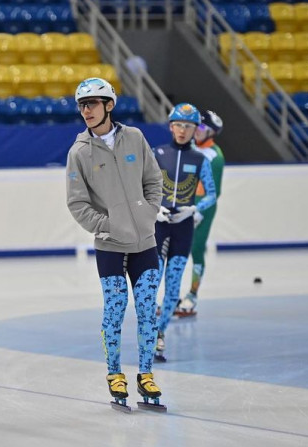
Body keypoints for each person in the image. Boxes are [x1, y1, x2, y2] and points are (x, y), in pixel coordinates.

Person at [65, 77, 166, 412]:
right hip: (110, 247)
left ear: (109, 105)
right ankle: (115, 374)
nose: (86, 111)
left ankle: (147, 374)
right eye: (81, 105)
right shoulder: (79, 153)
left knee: (148, 311)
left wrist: (148, 213)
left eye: (91, 103)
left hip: (145, 243)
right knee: (115, 310)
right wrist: (108, 226)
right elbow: (77, 203)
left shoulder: (135, 138)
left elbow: (153, 180)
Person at [152, 103, 217, 362]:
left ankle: (160, 334)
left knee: (173, 286)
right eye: (178, 125)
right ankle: (147, 332)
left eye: (188, 127)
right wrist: (154, 208)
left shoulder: (200, 159)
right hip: (159, 225)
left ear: (195, 130)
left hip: (183, 228)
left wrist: (193, 210)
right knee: (151, 282)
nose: (182, 131)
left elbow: (211, 193)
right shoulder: (157, 153)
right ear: (171, 127)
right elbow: (142, 187)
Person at [176, 110, 225, 317]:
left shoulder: (216, 156)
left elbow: (215, 192)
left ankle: (192, 296)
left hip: (203, 207)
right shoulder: (190, 148)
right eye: (196, 126)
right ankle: (172, 296)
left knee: (195, 249)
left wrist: (199, 211)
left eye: (202, 128)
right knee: (175, 251)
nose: (196, 131)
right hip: (184, 202)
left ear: (212, 132)